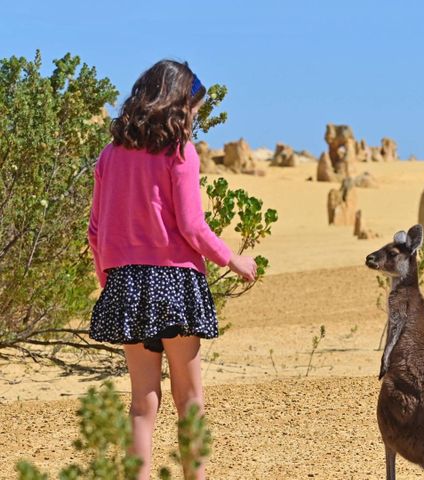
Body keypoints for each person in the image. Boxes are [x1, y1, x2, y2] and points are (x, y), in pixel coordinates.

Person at [87, 59, 256, 480]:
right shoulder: (179, 152)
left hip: (126, 281)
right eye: (193, 109)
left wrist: (109, 280)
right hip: (175, 280)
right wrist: (232, 258)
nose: (194, 118)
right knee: (189, 396)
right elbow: (192, 226)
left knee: (142, 401)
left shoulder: (110, 155)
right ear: (178, 105)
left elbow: (95, 230)